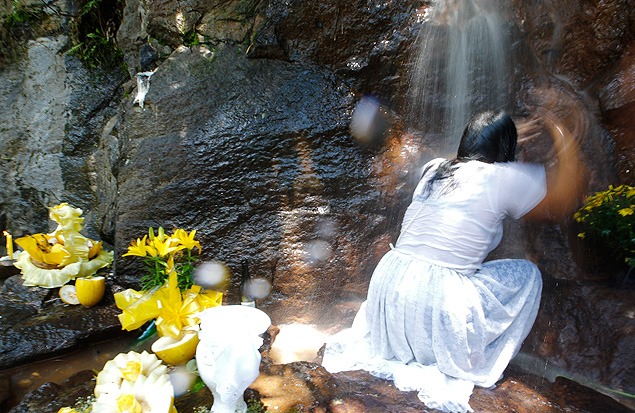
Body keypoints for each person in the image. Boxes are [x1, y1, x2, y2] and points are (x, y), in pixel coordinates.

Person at [322, 110, 583, 412]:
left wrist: (490, 141)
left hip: (390, 282)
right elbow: (564, 199)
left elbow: (467, 162)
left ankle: (411, 344)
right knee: (528, 275)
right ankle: (464, 352)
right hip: (437, 292)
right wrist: (564, 137)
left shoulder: (435, 169)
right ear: (505, 151)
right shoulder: (504, 177)